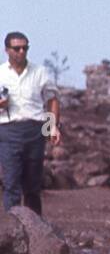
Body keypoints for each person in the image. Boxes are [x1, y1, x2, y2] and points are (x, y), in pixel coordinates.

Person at [0, 31, 61, 214]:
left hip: (36, 128)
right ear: (7, 50)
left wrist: (51, 127)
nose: (21, 52)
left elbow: (52, 99)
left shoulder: (39, 72)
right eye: (17, 48)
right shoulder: (1, 73)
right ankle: (14, 229)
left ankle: (36, 232)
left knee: (33, 185)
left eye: (25, 48)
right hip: (8, 128)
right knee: (11, 182)